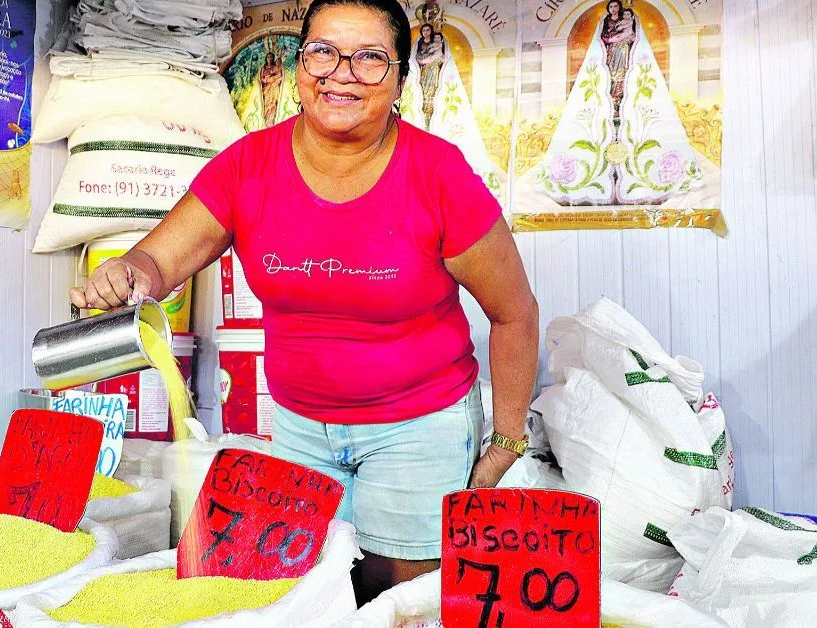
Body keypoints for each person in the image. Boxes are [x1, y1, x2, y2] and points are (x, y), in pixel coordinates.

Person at [72, 0, 538, 605]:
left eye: (370, 59)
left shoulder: (437, 175)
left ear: (399, 79)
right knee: (314, 596)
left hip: (419, 427)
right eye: (323, 51)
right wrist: (124, 273)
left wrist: (506, 441)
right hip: (298, 426)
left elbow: (514, 313)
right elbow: (158, 262)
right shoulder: (248, 167)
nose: (341, 73)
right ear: (299, 65)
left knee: (402, 602)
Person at [601, 1, 637, 122]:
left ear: (619, 7)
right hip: (611, 49)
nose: (613, 8)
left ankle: (618, 99)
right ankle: (610, 101)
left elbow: (632, 33)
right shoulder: (606, 20)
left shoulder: (625, 18)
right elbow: (603, 35)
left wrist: (625, 37)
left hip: (623, 48)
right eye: (611, 6)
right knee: (610, 72)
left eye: (615, 6)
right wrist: (611, 39)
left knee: (621, 71)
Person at [413, 23, 445, 127]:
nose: (426, 32)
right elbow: (417, 56)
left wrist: (428, 59)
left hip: (433, 69)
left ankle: (429, 115)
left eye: (427, 30)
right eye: (424, 30)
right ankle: (423, 116)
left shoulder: (435, 42)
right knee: (423, 90)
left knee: (431, 90)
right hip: (423, 70)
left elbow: (440, 55)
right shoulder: (420, 43)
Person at [259, 48, 285, 126]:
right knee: (266, 104)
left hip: (273, 88)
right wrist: (267, 80)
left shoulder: (275, 67)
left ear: (273, 58)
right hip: (266, 89)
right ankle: (266, 121)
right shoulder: (264, 68)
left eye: (271, 57)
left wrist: (272, 79)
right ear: (266, 58)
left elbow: (280, 75)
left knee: (273, 104)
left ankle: (271, 121)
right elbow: (261, 79)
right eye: (268, 57)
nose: (269, 59)